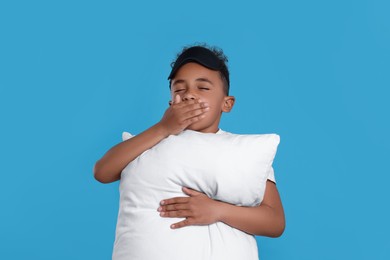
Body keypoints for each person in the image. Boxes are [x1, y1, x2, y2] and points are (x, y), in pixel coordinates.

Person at [94, 44, 285, 259]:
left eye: (202, 88)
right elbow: (102, 171)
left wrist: (217, 211)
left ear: (227, 103)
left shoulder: (242, 153)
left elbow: (275, 222)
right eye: (179, 89)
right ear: (170, 102)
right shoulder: (152, 141)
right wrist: (163, 128)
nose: (189, 96)